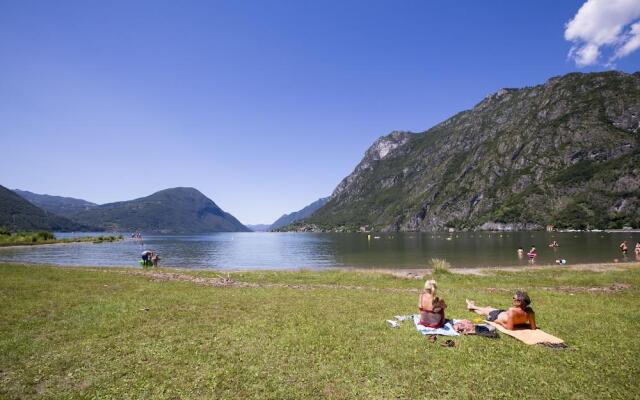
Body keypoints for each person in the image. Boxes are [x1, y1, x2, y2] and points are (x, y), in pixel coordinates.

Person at [466, 291, 536, 330]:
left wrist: (499, 322)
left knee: (486, 310)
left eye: (514, 298)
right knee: (486, 309)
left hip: (496, 316)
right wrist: (523, 325)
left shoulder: (512, 311)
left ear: (519, 302)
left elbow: (509, 329)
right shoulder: (530, 311)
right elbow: (533, 327)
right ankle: (472, 307)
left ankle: (472, 306)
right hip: (502, 313)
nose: (512, 299)